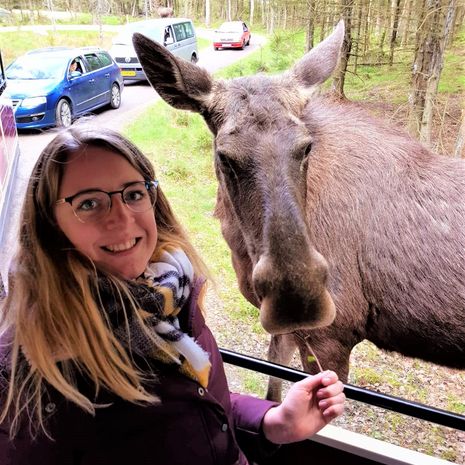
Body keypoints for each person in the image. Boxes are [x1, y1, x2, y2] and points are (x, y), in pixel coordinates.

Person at [0, 126, 345, 465]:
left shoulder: (171, 294)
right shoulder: (28, 370)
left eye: (133, 194)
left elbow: (202, 406)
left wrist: (273, 421)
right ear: (48, 222)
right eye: (89, 203)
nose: (122, 219)